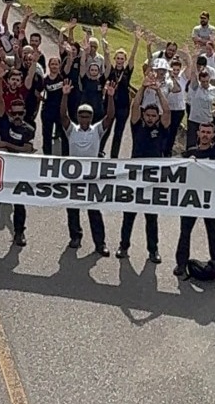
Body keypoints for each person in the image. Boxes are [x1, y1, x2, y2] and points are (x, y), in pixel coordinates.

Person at [116, 75, 171, 264]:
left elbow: (167, 111)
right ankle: (123, 246)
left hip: (153, 178)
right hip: (134, 175)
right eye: (147, 115)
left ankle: (153, 250)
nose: (149, 118)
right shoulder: (137, 126)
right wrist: (143, 87)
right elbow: (134, 107)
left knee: (151, 217)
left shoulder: (162, 128)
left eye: (152, 116)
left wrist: (157, 91)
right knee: (129, 214)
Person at [173, 104, 215, 281]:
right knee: (185, 232)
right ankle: (181, 264)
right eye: (203, 132)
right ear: (198, 134)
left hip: (211, 200)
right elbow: (175, 170)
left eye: (208, 132)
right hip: (192, 199)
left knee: (212, 234)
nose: (205, 135)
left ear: (212, 135)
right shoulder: (189, 153)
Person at [60, 78, 116, 255]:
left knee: (94, 211)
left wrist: (110, 97)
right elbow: (63, 116)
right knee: (73, 209)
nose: (84, 119)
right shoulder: (72, 130)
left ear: (91, 118)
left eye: (87, 116)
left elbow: (110, 117)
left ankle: (100, 243)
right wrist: (65, 95)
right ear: (78, 116)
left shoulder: (97, 130)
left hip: (92, 177)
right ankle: (75, 236)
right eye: (82, 116)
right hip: (74, 176)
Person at [0, 73, 35, 248]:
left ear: (24, 113)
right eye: (14, 113)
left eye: (21, 113)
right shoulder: (3, 121)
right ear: (9, 113)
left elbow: (27, 148)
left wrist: (6, 144)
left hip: (19, 170)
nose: (17, 116)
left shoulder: (28, 129)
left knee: (19, 204)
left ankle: (19, 233)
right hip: (2, 170)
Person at [103, 29, 141, 159]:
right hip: (110, 105)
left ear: (124, 60)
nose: (119, 60)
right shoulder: (110, 70)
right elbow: (106, 56)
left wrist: (136, 41)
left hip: (123, 106)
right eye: (118, 58)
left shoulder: (127, 71)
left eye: (121, 58)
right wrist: (104, 36)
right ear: (115, 59)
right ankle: (100, 151)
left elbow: (133, 56)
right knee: (106, 130)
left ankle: (114, 156)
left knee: (118, 133)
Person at [185, 58, 215, 149]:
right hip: (194, 120)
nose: (205, 83)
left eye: (207, 81)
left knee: (206, 144)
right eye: (203, 82)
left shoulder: (213, 90)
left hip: (207, 121)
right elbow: (193, 74)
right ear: (200, 81)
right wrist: (194, 59)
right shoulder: (196, 88)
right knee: (192, 144)